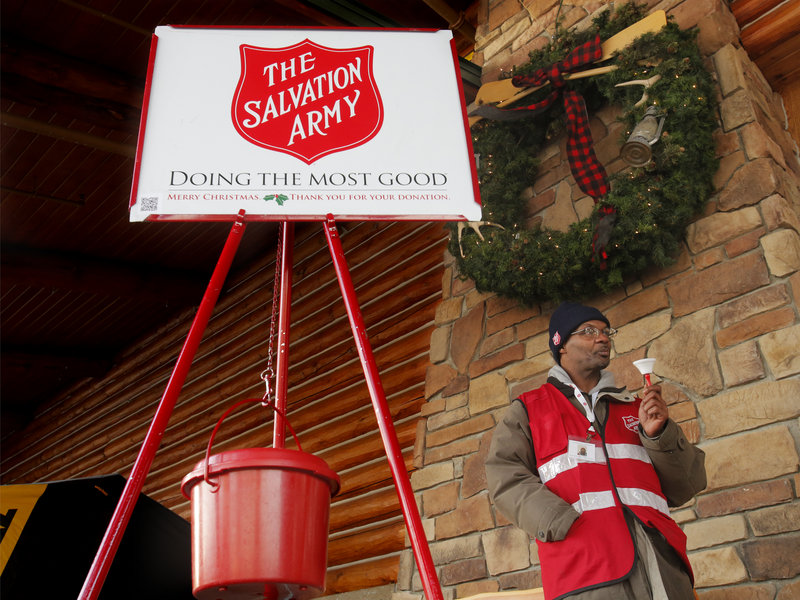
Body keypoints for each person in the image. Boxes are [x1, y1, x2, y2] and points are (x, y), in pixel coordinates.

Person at [485, 302, 706, 600]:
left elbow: (687, 485)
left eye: (606, 332)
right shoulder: (528, 410)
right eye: (589, 331)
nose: (602, 338)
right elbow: (504, 476)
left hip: (662, 570)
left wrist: (659, 436)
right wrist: (556, 521)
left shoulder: (637, 408)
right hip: (585, 576)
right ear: (560, 344)